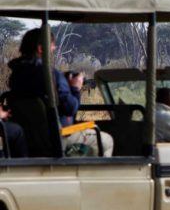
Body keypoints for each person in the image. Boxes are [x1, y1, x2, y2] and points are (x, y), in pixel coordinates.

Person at [7, 28, 113, 157]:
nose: (54, 48)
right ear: (41, 49)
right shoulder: (51, 75)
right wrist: (75, 87)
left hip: (29, 140)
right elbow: (71, 108)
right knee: (106, 140)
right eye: (52, 46)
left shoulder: (16, 75)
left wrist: (63, 84)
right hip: (57, 138)